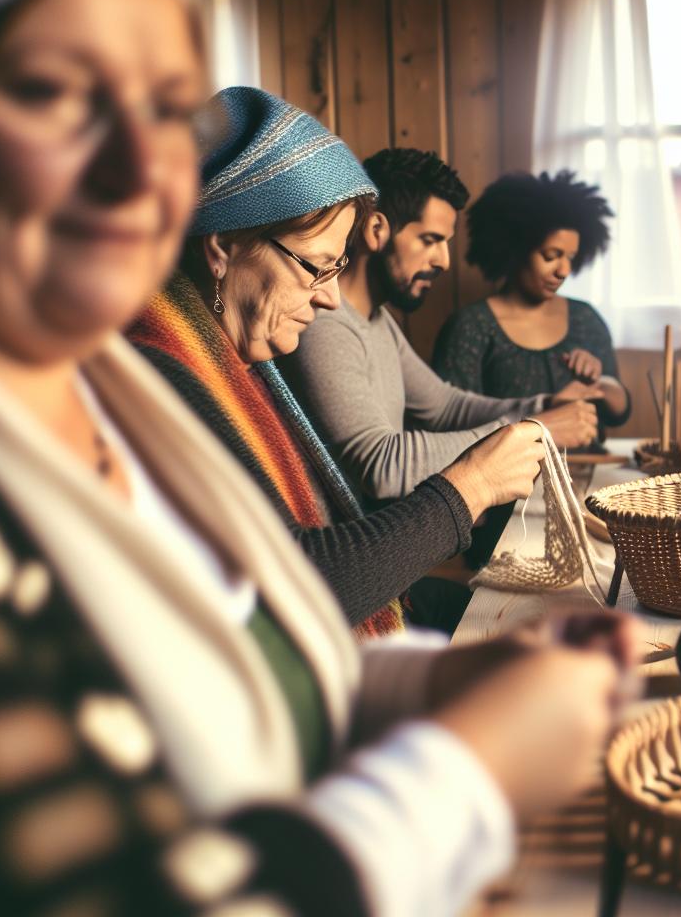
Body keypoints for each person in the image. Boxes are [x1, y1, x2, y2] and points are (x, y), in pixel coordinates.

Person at [0, 0, 636, 914]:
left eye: (163, 110)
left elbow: (236, 641)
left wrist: (425, 685)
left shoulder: (110, 393)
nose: (136, 167)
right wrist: (470, 766)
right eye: (49, 91)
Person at [128, 89, 542, 637]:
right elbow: (300, 582)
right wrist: (472, 486)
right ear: (222, 247)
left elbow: (438, 403)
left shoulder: (225, 358)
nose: (328, 299)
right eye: (317, 268)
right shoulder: (156, 374)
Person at [432, 169, 630, 450]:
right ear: (515, 250)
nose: (564, 270)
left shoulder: (585, 318)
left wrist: (601, 382)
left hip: (587, 474)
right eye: (551, 256)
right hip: (509, 482)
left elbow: (618, 412)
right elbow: (452, 426)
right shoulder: (471, 327)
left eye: (571, 257)